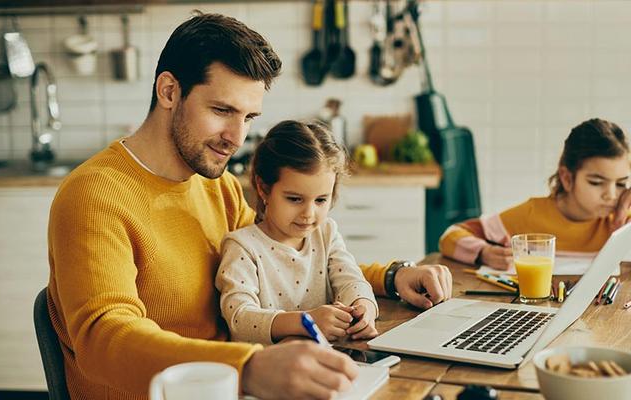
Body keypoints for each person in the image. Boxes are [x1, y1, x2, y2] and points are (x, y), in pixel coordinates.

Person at [47, 12, 452, 400]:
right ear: (169, 91)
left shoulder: (216, 185)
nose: (236, 137)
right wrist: (251, 368)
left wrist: (392, 276)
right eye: (222, 111)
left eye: (249, 117)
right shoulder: (95, 195)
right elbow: (104, 341)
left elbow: (283, 255)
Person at [217, 120, 379, 345]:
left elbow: (351, 280)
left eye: (321, 200)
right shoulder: (242, 246)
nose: (309, 214)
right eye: (294, 199)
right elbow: (240, 319)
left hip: (325, 358)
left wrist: (364, 307)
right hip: (270, 368)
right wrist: (306, 321)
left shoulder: (326, 233)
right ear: (264, 188)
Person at [439, 118, 631, 270]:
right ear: (567, 178)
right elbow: (450, 236)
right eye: (596, 182)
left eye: (621, 183)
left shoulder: (623, 222)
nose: (611, 195)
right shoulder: (529, 215)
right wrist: (484, 252)